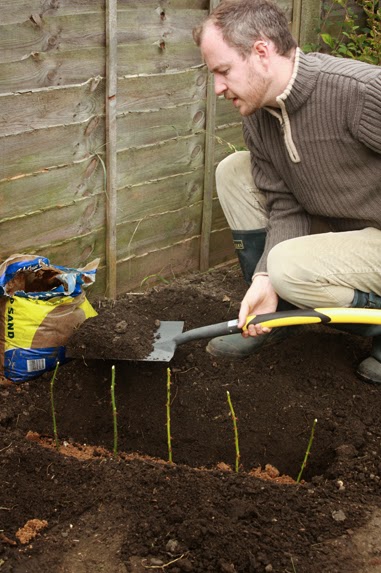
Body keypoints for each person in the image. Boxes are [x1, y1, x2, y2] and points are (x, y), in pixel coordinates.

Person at [193, 0, 381, 383]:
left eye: (223, 71)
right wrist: (264, 279)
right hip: (345, 229)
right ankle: (275, 313)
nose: (217, 88)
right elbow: (285, 206)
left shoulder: (360, 91)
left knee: (289, 265)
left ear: (261, 51)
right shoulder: (260, 118)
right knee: (234, 172)